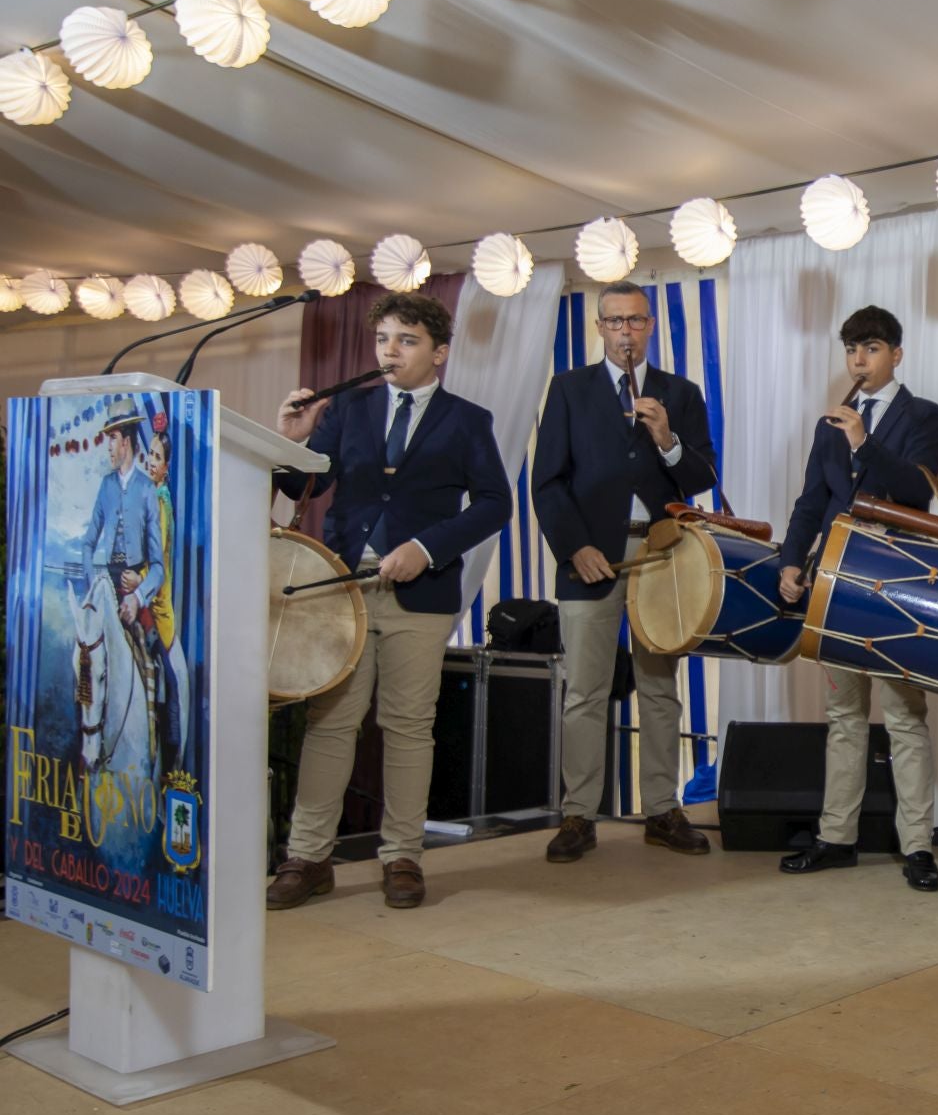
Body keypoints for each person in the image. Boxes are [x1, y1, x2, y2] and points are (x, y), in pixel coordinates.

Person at [266, 291, 511, 910]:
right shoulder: (349, 407)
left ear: (440, 353)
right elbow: (307, 483)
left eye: (406, 340)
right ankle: (308, 856)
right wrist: (289, 441)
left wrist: (427, 547)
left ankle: (402, 855)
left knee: (407, 727)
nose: (390, 351)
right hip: (342, 588)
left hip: (419, 594)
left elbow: (494, 505)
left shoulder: (467, 419)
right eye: (382, 340)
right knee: (331, 724)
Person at [532, 282, 717, 863]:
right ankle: (578, 815)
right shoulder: (568, 390)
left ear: (651, 327)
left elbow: (702, 475)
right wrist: (574, 547)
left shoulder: (680, 394)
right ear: (600, 328)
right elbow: (547, 482)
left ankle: (661, 808)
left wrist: (667, 440)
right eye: (614, 322)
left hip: (662, 558)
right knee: (584, 692)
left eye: (635, 322)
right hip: (590, 559)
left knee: (660, 691)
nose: (625, 332)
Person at [774, 306, 938, 890]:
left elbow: (917, 491)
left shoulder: (923, 414)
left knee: (904, 718)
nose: (858, 359)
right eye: (851, 348)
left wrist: (863, 440)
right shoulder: (831, 424)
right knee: (845, 716)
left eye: (870, 348)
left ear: (896, 354)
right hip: (835, 579)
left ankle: (918, 845)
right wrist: (793, 560)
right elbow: (810, 502)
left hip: (896, 582)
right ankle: (836, 837)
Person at [82, 407, 166, 764]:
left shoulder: (148, 492)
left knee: (156, 665)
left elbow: (159, 567)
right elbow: (87, 544)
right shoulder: (105, 486)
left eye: (112, 440)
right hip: (106, 587)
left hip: (136, 589)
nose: (109, 448)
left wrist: (138, 594)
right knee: (86, 657)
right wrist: (93, 589)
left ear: (127, 442)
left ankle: (153, 756)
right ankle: (87, 742)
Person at [143, 430, 188, 772]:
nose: (149, 461)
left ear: (167, 467)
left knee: (170, 682)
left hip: (154, 605)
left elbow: (155, 560)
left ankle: (171, 760)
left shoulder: (159, 500)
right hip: (138, 595)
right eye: (149, 454)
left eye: (156, 457)